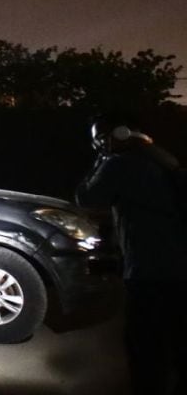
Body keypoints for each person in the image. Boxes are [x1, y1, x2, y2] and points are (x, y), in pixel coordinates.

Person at [76, 119, 187, 395]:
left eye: (102, 142)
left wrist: (102, 160)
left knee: (145, 343)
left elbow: (86, 197)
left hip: (148, 269)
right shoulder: (163, 159)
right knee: (179, 337)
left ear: (116, 137)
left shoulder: (119, 165)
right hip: (180, 266)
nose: (101, 147)